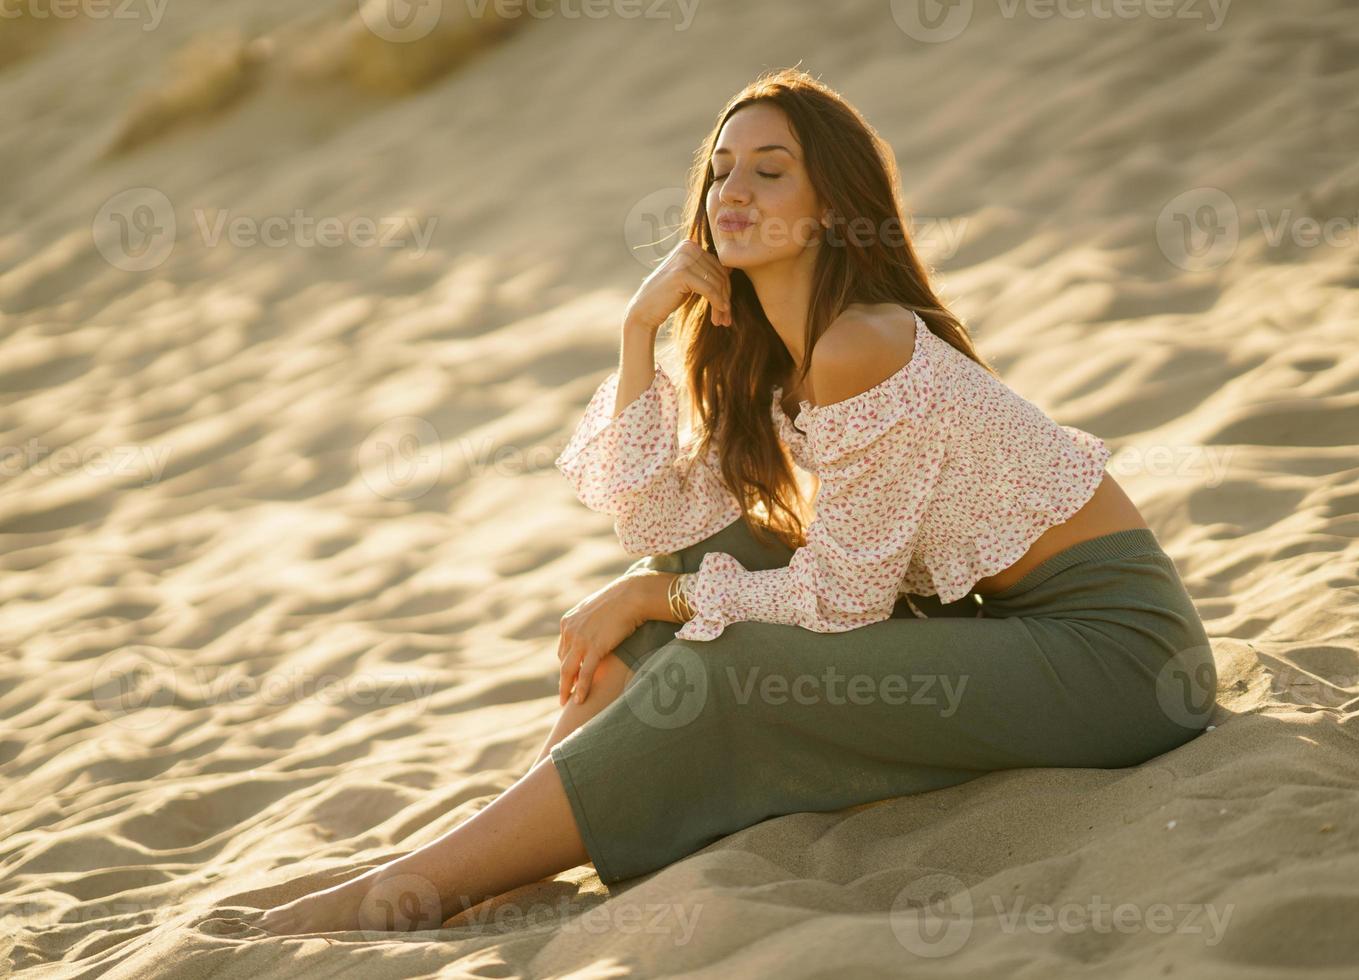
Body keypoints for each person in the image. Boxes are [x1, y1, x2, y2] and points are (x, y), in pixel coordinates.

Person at [254, 66, 1217, 937]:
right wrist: (638, 330)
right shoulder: (780, 362)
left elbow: (841, 602)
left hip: (1120, 661)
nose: (733, 194)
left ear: (834, 204)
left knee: (730, 665)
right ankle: (498, 852)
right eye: (720, 172)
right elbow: (658, 524)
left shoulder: (860, 345)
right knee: (673, 576)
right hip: (1010, 629)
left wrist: (652, 599)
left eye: (770, 171)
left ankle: (422, 884)